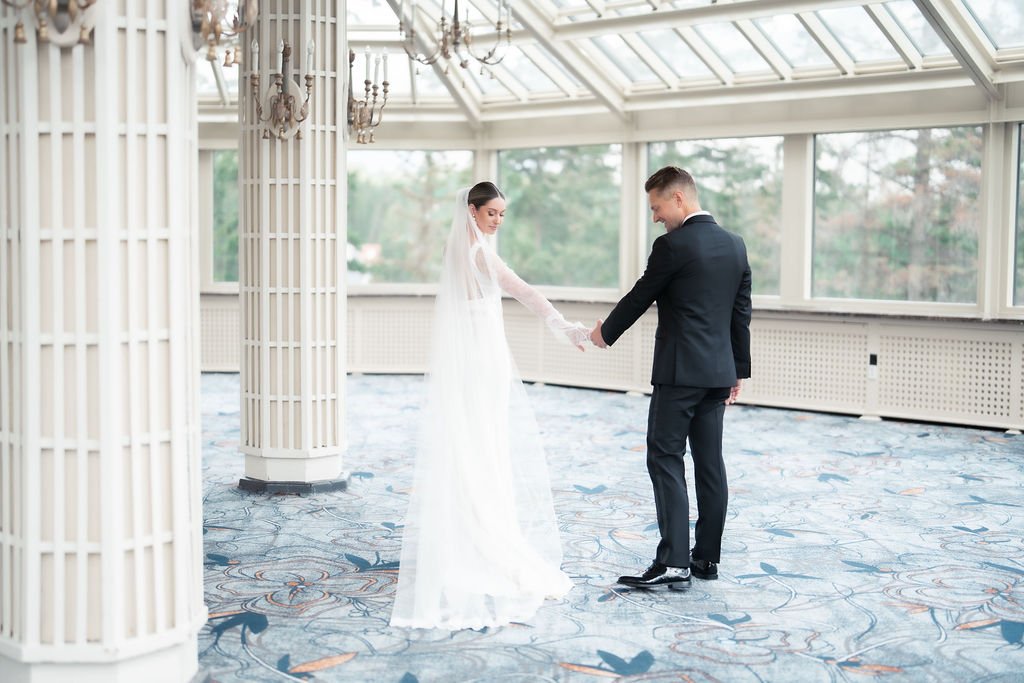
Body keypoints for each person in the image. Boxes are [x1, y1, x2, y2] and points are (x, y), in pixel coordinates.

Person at [390, 182, 588, 630]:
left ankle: (466, 535)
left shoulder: (456, 248)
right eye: (491, 213)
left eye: (502, 214)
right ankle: (482, 537)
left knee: (471, 443)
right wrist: (565, 327)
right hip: (482, 357)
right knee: (483, 442)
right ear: (472, 210)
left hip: (468, 357)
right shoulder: (479, 253)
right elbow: (524, 291)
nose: (497, 220)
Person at [590, 166, 751, 591]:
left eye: (657, 207)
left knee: (664, 457)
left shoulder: (672, 246)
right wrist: (738, 370)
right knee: (710, 463)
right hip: (718, 374)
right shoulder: (735, 245)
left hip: (679, 375)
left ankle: (673, 561)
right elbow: (740, 314)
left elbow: (641, 295)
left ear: (678, 198)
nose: (655, 217)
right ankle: (705, 559)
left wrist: (604, 334)